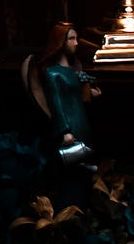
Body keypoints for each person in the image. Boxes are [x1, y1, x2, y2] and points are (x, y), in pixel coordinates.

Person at [21, 22, 101, 168]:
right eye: (71, 39)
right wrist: (65, 131)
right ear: (60, 42)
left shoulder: (72, 70)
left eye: (76, 38)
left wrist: (90, 93)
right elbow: (56, 103)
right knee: (73, 161)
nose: (76, 43)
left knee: (87, 156)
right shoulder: (53, 74)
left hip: (81, 120)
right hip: (70, 124)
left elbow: (75, 92)